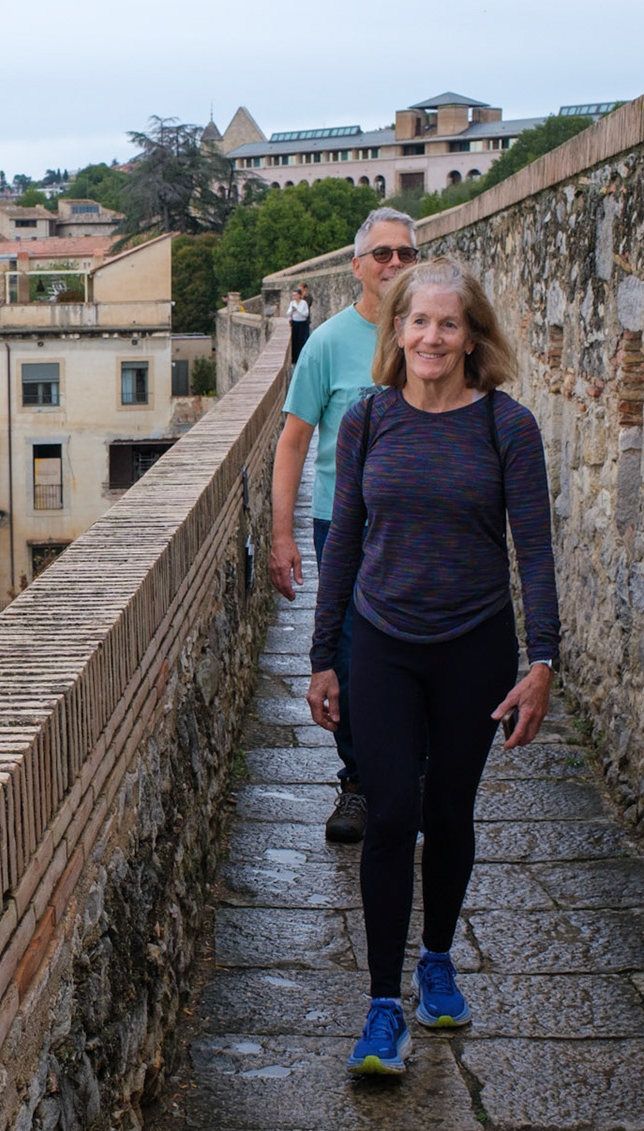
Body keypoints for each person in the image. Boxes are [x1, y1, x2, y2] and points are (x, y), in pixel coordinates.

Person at [305, 257, 560, 1076]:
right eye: (419, 321)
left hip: (473, 646)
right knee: (387, 815)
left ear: (471, 334)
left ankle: (439, 959)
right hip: (381, 642)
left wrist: (543, 660)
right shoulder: (369, 422)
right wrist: (323, 656)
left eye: (449, 323)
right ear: (398, 331)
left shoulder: (507, 427)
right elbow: (343, 540)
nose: (432, 337)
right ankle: (383, 1007)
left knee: (448, 814)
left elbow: (535, 551)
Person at [269, 207, 419, 844]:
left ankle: (413, 780)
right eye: (381, 254)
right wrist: (282, 535)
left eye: (405, 254)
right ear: (357, 266)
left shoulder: (434, 334)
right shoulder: (328, 343)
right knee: (351, 659)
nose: (392, 264)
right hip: (344, 525)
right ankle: (358, 782)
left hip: (420, 527)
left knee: (418, 654)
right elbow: (293, 441)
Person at [287, 285, 312, 363]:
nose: (294, 297)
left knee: (302, 340)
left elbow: (306, 314)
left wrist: (297, 310)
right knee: (294, 340)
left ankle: (302, 357)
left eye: (295, 295)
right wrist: (292, 311)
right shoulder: (292, 303)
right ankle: (294, 359)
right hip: (295, 323)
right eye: (293, 295)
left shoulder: (304, 303)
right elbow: (288, 313)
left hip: (302, 323)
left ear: (299, 295)